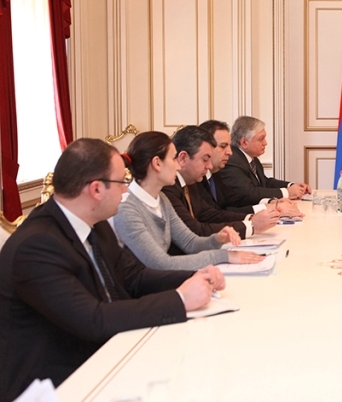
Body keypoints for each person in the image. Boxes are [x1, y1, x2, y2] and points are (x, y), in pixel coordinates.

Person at [0, 139, 221, 402]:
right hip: (58, 383)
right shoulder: (37, 246)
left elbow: (134, 276)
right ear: (96, 189)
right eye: (121, 182)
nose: (126, 189)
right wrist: (181, 299)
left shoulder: (96, 225)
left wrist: (196, 276)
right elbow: (93, 319)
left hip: (107, 355)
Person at [112, 131, 264, 270]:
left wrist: (217, 239)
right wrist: (224, 256)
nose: (178, 166)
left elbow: (190, 243)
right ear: (157, 163)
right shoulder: (127, 209)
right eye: (173, 159)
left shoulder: (161, 199)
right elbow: (161, 263)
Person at [162, 125, 279, 241]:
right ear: (183, 158)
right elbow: (195, 231)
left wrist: (251, 218)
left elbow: (210, 214)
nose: (209, 166)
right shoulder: (167, 188)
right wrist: (251, 226)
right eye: (205, 159)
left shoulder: (190, 182)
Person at [198, 120, 302, 220]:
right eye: (223, 146)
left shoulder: (215, 174)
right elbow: (214, 215)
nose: (230, 152)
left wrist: (270, 202)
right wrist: (267, 208)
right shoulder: (197, 179)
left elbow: (234, 201)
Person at [218, 116, 312, 207]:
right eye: (261, 139)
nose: (265, 143)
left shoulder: (251, 158)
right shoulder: (232, 161)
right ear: (244, 142)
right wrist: (288, 192)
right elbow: (249, 193)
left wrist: (291, 185)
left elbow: (264, 182)